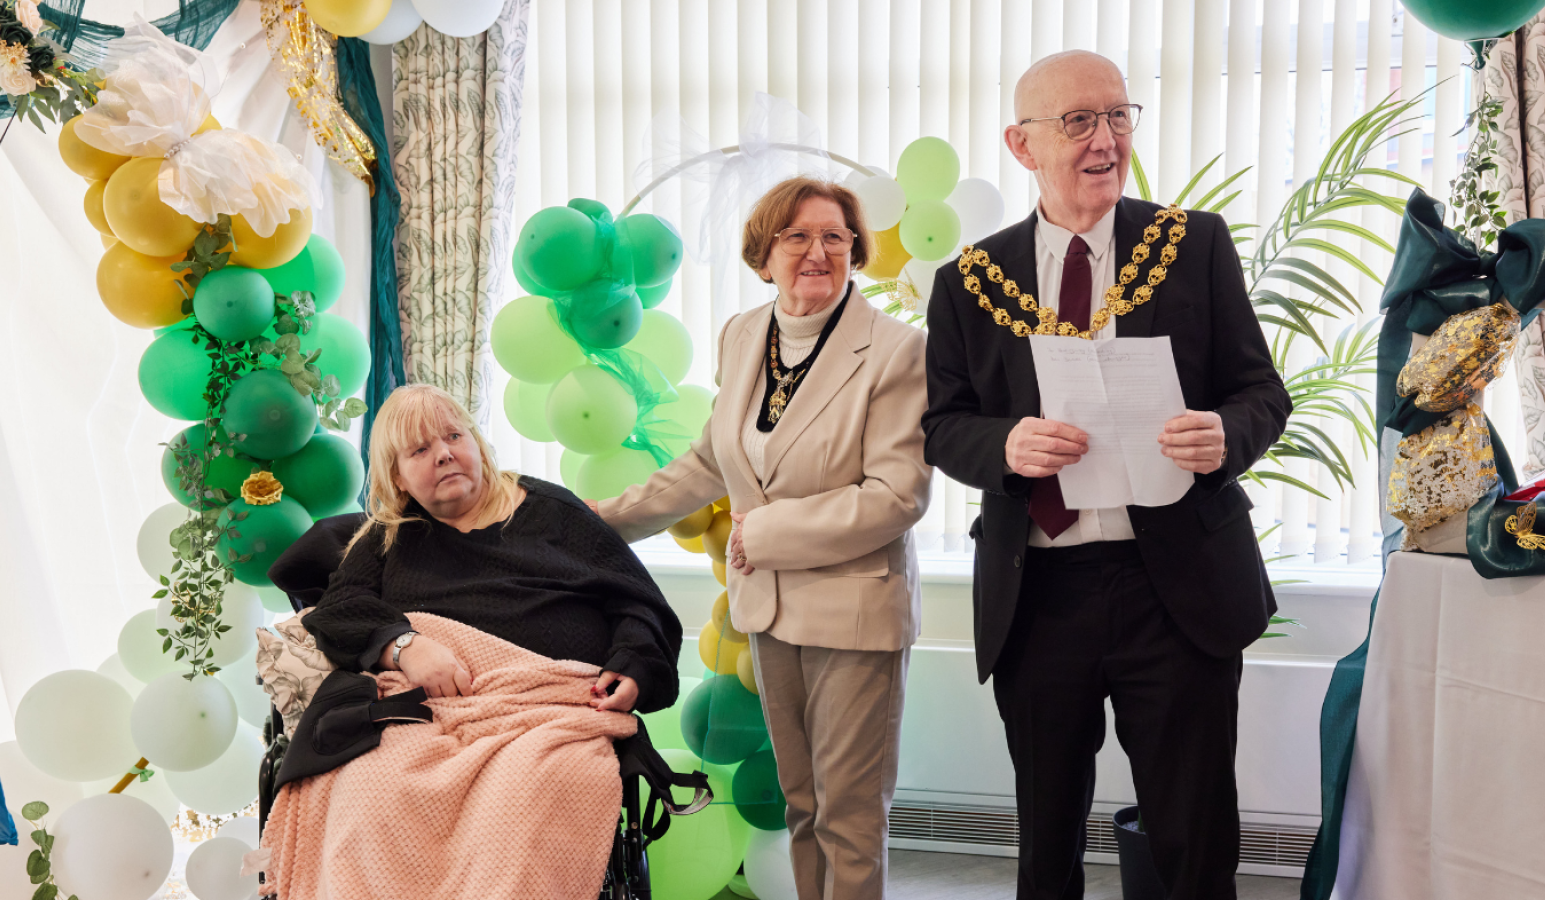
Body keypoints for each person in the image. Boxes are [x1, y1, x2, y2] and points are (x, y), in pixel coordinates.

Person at [921, 51, 1291, 900]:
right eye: (1079, 121)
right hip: (1039, 592)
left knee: (1195, 839)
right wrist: (1005, 448)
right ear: (1023, 146)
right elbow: (943, 427)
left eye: (1118, 116)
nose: (1105, 140)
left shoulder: (1192, 244)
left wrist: (1224, 434)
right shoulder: (969, 283)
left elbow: (1261, 392)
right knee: (1047, 844)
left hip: (1178, 587)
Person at [593, 176, 932, 900]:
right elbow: (714, 460)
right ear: (764, 252)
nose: (818, 252)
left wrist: (766, 531)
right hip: (769, 610)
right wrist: (601, 518)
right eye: (797, 236)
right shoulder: (744, 335)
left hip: (854, 615)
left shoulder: (898, 351)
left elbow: (896, 496)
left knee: (849, 816)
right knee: (800, 805)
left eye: (835, 237)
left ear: (856, 250)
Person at [260, 383, 682, 899]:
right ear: (398, 475)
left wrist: (636, 663)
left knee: (529, 798)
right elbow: (340, 610)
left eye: (453, 436)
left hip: (548, 712)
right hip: (426, 713)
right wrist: (405, 646)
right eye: (419, 450)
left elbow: (639, 602)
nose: (443, 454)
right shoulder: (389, 534)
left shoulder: (552, 513)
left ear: (476, 442)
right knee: (369, 793)